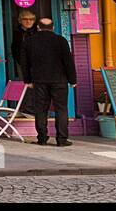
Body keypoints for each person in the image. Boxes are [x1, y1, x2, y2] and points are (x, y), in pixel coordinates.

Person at [21, 17, 77, 146]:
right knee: (61, 109)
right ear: (52, 28)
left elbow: (25, 63)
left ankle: (42, 138)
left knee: (40, 109)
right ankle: (62, 139)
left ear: (38, 28)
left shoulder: (29, 42)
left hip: (39, 80)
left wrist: (27, 80)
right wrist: (72, 80)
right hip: (59, 80)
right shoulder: (61, 41)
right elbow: (68, 62)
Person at [11, 9, 38, 80]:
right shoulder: (17, 32)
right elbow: (14, 48)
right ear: (20, 20)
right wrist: (20, 60)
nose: (28, 21)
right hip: (22, 63)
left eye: (31, 19)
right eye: (25, 19)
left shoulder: (37, 31)